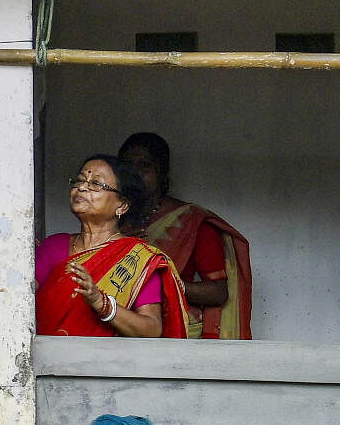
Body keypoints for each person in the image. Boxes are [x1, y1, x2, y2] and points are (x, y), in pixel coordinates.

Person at [36, 154, 189, 338]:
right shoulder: (53, 246)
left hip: (106, 364)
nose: (82, 188)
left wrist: (102, 303)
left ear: (122, 205)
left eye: (96, 184)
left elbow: (152, 329)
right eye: (79, 180)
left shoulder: (137, 258)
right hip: (45, 363)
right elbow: (19, 301)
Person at [119, 132, 253, 339]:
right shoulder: (106, 218)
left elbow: (219, 292)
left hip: (174, 332)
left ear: (162, 173)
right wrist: (115, 242)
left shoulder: (190, 221)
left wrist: (170, 284)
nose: (135, 172)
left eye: (145, 165)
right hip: (116, 325)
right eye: (127, 165)